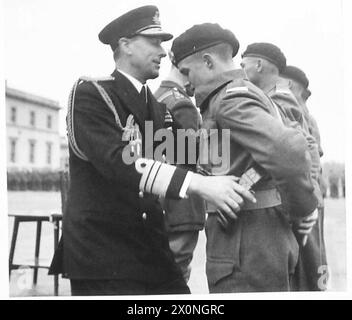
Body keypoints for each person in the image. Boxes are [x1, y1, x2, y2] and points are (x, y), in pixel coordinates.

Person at [49, 6, 255, 296]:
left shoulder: (158, 109)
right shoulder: (92, 95)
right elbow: (120, 162)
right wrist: (202, 185)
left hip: (151, 250)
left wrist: (253, 126)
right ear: (125, 45)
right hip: (103, 254)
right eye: (154, 41)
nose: (163, 51)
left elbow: (193, 156)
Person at [171, 23, 318, 292]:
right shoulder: (254, 93)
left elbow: (290, 153)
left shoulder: (228, 100)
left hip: (245, 246)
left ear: (207, 61)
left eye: (186, 72)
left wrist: (302, 208)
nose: (187, 82)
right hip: (260, 240)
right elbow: (299, 146)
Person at [154, 53, 205, 283]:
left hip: (161, 205)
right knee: (176, 280)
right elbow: (190, 160)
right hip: (181, 208)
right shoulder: (182, 104)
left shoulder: (157, 96)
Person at [281, 65, 328, 290]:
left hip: (305, 197)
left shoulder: (292, 111)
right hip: (312, 196)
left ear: (288, 84)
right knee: (316, 259)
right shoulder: (308, 115)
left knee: (307, 265)